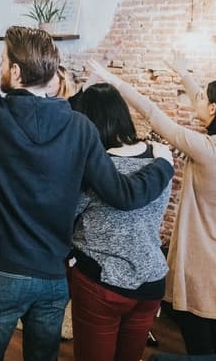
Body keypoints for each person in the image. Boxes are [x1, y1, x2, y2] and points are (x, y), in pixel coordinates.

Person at [0, 0, 174, 361]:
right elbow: (123, 194)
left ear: (18, 73)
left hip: (1, 271)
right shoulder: (80, 127)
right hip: (53, 275)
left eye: (3, 61)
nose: (0, 67)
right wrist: (162, 164)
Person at [89, 53, 216, 355]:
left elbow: (152, 113)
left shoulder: (208, 150)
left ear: (214, 109)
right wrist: (184, 74)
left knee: (201, 348)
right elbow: (202, 99)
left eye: (203, 98)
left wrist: (114, 81)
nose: (197, 100)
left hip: (200, 263)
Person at [68, 83, 172, 361]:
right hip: (151, 279)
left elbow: (67, 216)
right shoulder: (159, 157)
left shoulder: (95, 166)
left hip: (101, 281)